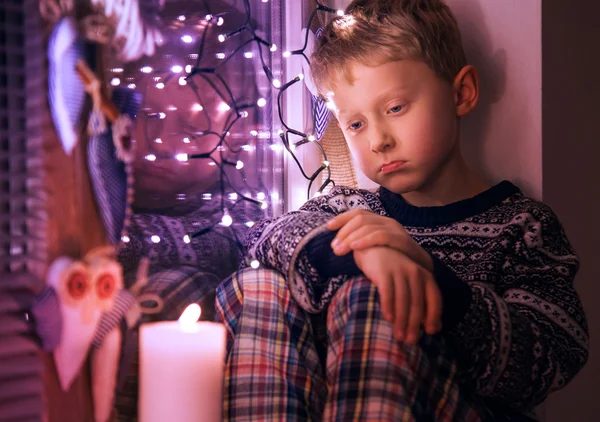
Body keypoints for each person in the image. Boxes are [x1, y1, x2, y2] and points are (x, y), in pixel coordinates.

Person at [215, 0, 589, 420]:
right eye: (356, 124)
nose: (378, 141)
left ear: (461, 93)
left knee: (379, 297)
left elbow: (552, 360)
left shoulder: (521, 225)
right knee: (259, 286)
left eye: (395, 108)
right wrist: (365, 255)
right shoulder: (351, 207)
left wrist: (428, 276)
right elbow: (264, 235)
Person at [110, 2, 263, 420]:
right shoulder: (99, 191)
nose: (163, 142)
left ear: (239, 135)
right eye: (149, 115)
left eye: (193, 127)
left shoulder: (233, 217)